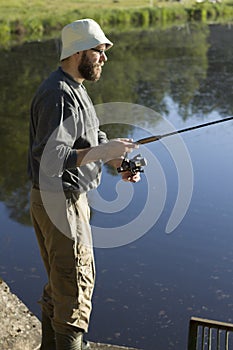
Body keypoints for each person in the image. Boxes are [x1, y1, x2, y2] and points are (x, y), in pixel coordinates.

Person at [28, 18, 140, 350]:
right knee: (74, 288)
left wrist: (116, 160)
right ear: (79, 52)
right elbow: (49, 156)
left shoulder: (76, 87)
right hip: (58, 200)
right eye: (99, 51)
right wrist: (104, 150)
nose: (104, 58)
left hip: (68, 199)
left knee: (60, 284)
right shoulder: (57, 94)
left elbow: (92, 135)